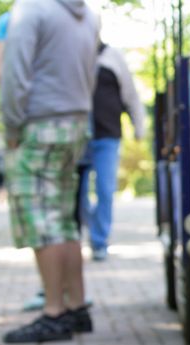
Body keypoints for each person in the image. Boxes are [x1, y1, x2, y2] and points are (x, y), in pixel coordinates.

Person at [0, 0, 99, 343]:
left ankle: (53, 312)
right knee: (64, 219)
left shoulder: (31, 9)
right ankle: (76, 307)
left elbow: (14, 73)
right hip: (75, 123)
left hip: (39, 125)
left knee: (41, 220)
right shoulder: (86, 13)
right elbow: (92, 73)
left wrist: (12, 128)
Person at [79, 42, 145, 262]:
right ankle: (85, 229)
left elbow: (130, 94)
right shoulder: (71, 51)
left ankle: (99, 241)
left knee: (105, 190)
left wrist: (139, 127)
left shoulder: (113, 56)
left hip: (107, 135)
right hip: (77, 137)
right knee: (77, 194)